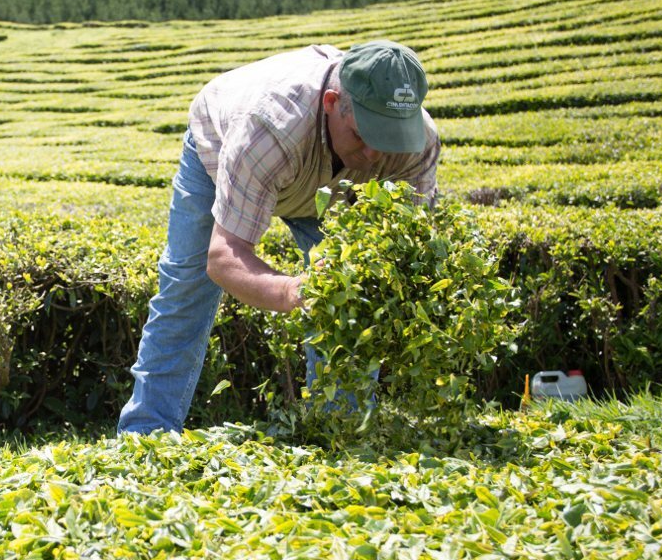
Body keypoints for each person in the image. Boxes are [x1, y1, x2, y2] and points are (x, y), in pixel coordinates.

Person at [117, 40, 441, 435]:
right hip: (226, 152)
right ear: (333, 103)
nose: (374, 154)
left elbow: (405, 246)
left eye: (388, 137)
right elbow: (223, 257)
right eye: (362, 135)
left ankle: (340, 429)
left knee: (354, 292)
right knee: (186, 287)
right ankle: (146, 433)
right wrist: (293, 292)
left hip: (333, 189)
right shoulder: (269, 126)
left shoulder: (418, 142)